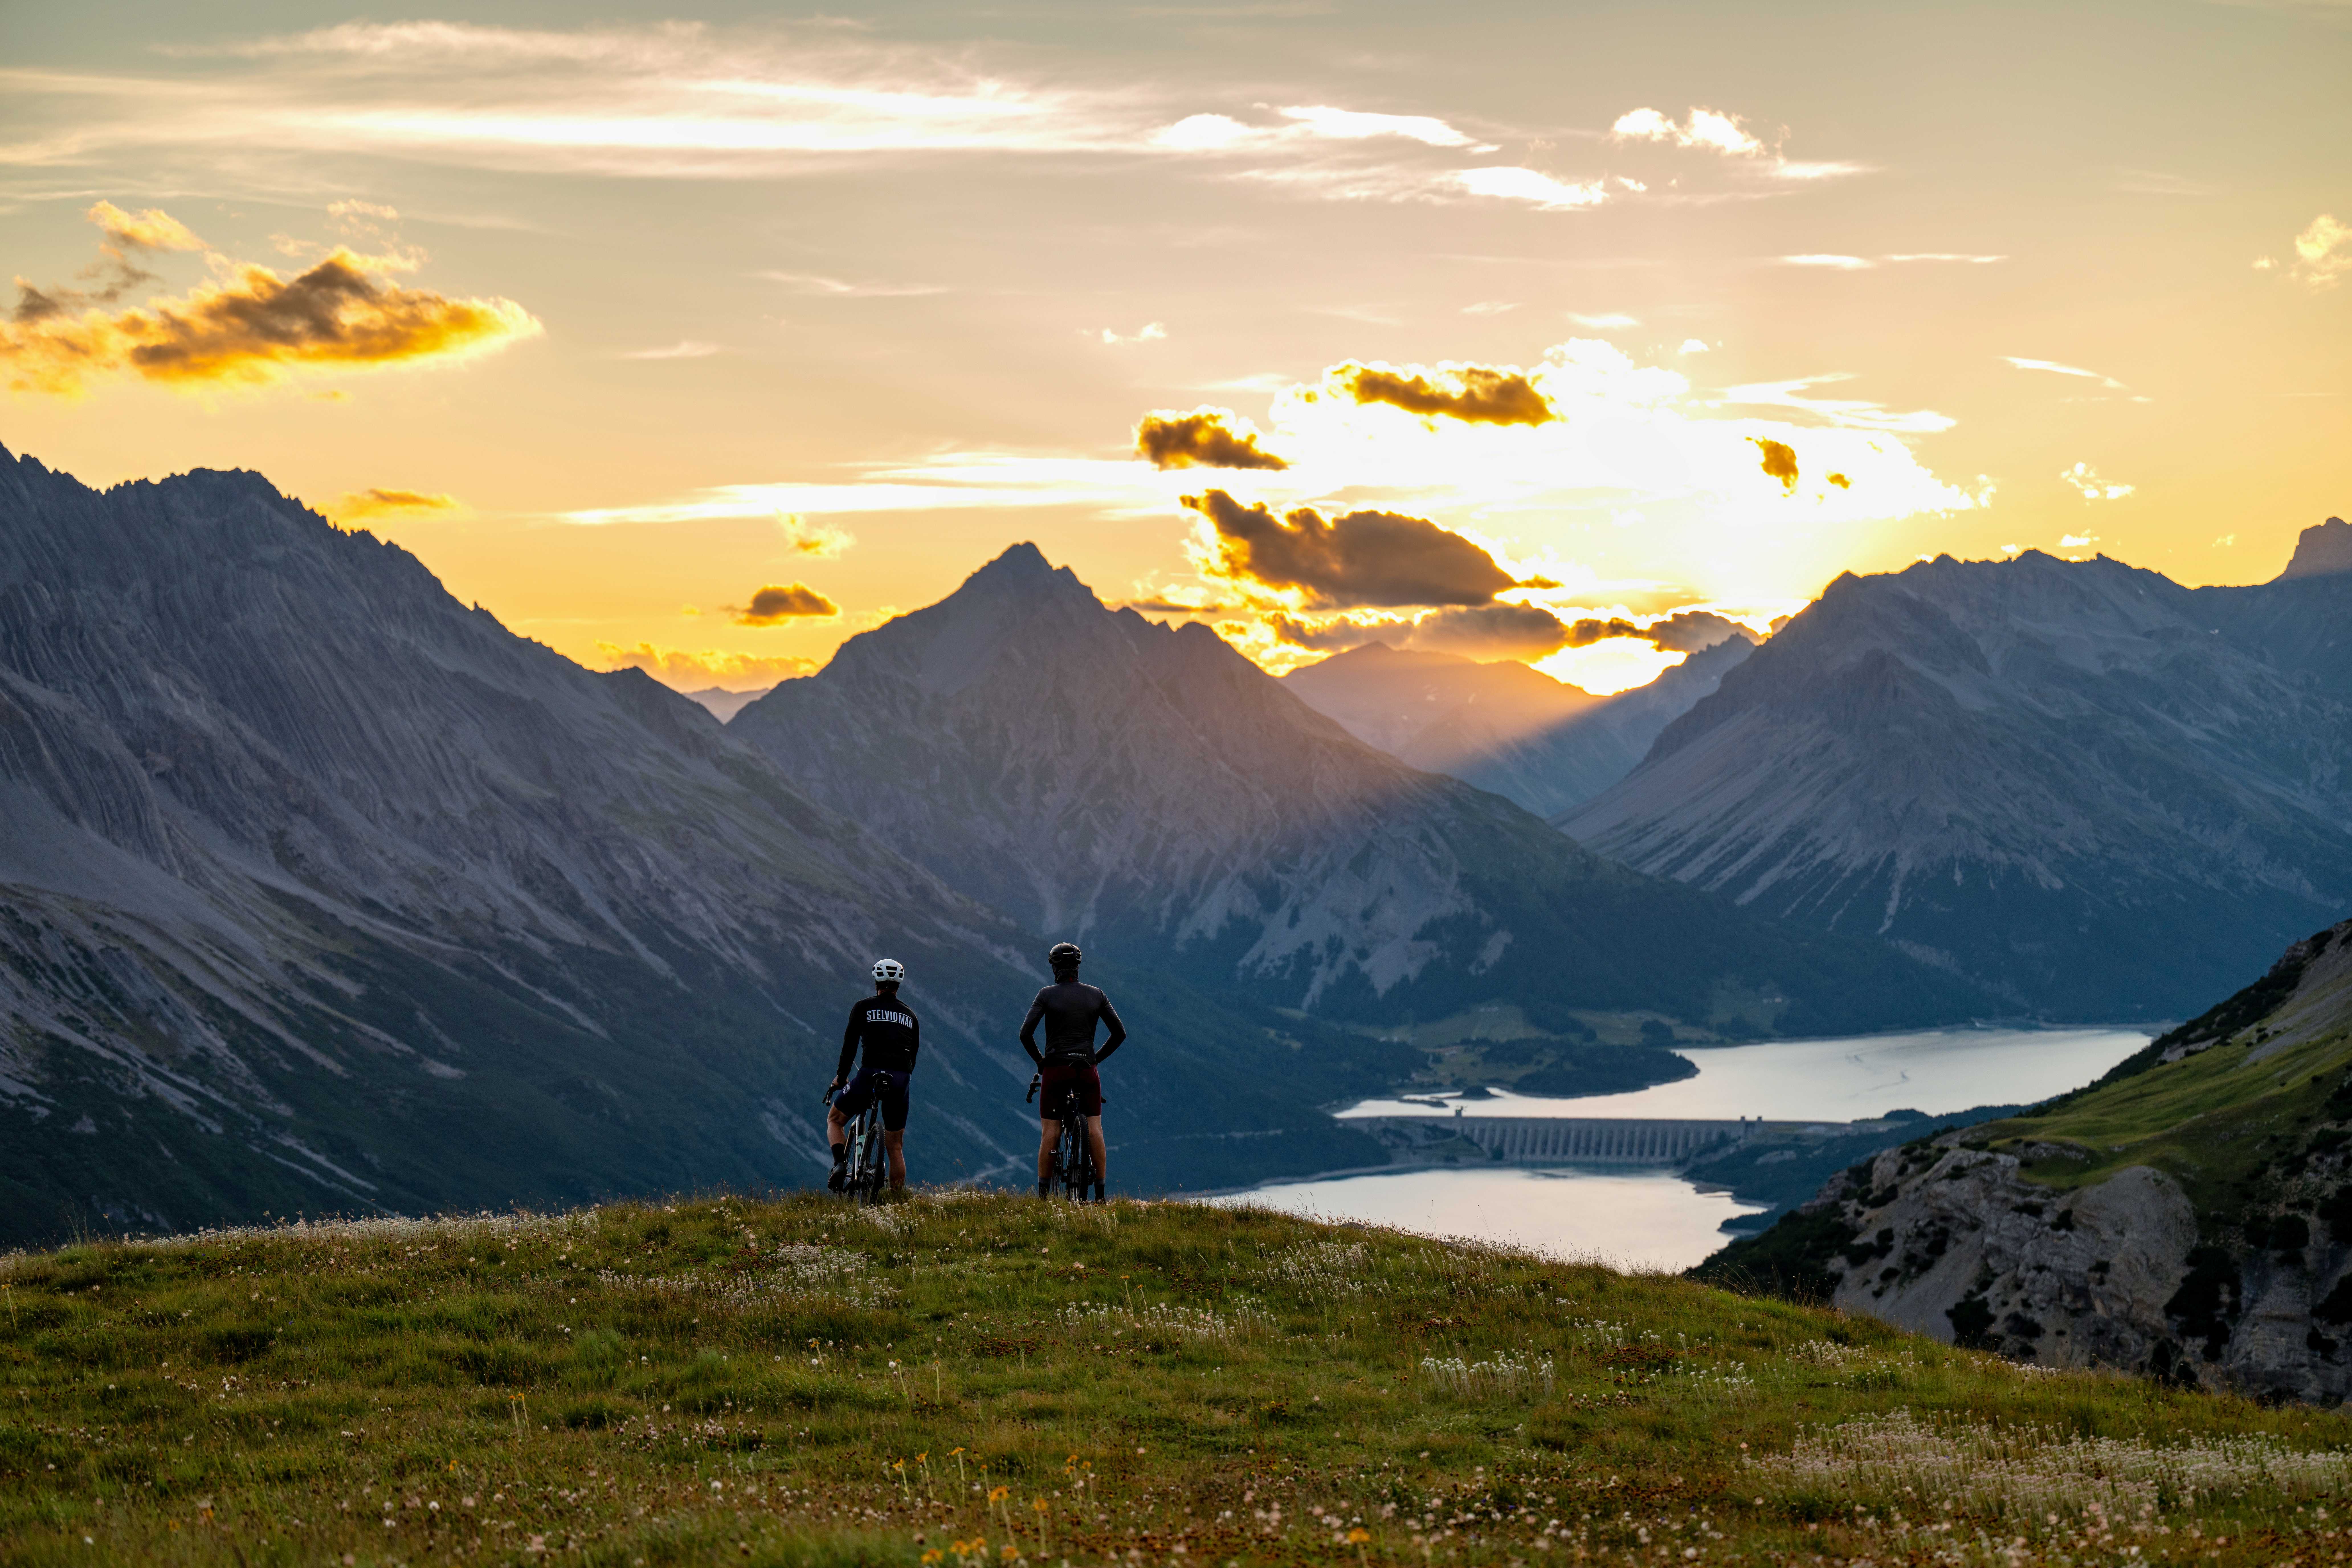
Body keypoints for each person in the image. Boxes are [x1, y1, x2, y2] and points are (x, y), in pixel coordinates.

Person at [1019, 942, 1125, 1201]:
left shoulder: (1046, 995)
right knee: (1095, 1129)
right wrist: (1095, 1059)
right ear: (1078, 967)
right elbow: (1119, 1034)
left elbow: (1025, 1034)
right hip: (1087, 1069)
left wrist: (1041, 1062)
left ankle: (1043, 1196)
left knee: (1051, 1131)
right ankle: (1100, 1194)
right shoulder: (1097, 995)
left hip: (1056, 1070)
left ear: (1055, 967)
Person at [829, 958, 920, 1193]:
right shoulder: (911, 1016)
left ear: (876, 981)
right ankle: (896, 1199)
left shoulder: (863, 1007)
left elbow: (849, 1047)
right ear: (899, 985)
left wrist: (841, 1077)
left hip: (869, 1075)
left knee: (835, 1120)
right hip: (900, 1080)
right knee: (896, 1146)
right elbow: (913, 1059)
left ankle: (840, 1166)